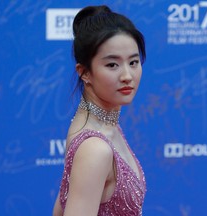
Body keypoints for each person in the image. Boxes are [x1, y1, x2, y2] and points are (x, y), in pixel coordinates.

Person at [53, 5, 146, 216]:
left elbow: (60, 208)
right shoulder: (95, 148)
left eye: (133, 62)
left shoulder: (102, 126)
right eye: (112, 65)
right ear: (84, 72)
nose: (127, 75)